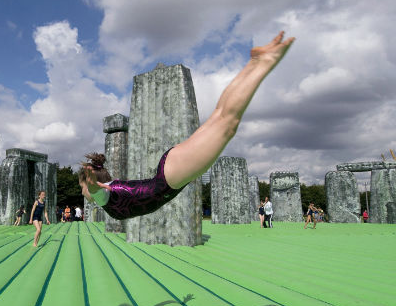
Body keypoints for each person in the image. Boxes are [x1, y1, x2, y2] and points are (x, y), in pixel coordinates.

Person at [80, 32, 295, 220]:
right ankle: (255, 63)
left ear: (94, 183)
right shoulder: (110, 190)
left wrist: (90, 185)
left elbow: (96, 191)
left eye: (83, 189)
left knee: (227, 124)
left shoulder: (105, 195)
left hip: (169, 177)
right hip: (169, 171)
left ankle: (263, 63)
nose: (83, 195)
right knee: (220, 117)